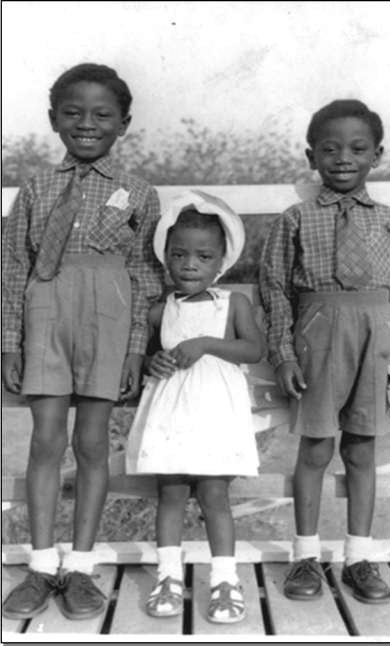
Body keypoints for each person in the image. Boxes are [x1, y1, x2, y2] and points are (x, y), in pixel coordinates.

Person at [2, 63, 164, 620]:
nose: (86, 124)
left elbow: (146, 275)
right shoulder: (36, 188)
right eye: (73, 113)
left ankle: (82, 566)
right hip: (45, 314)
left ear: (124, 124)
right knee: (46, 440)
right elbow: (13, 266)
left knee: (93, 444)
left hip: (109, 321)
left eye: (102, 115)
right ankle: (42, 564)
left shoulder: (138, 193)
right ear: (53, 120)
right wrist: (11, 342)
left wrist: (137, 347)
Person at [259, 100, 390, 604]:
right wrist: (284, 353)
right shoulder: (295, 219)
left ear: (376, 155)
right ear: (312, 156)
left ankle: (359, 557)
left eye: (356, 148)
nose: (343, 158)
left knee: (361, 449)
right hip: (319, 334)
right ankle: (305, 556)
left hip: (376, 337)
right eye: (330, 149)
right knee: (315, 448)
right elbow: (275, 290)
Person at [126, 190, 263, 623]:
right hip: (171, 410)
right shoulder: (158, 310)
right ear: (166, 256)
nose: (190, 264)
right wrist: (154, 359)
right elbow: (146, 354)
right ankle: (169, 576)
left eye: (203, 256)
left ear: (221, 262)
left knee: (214, 493)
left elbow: (254, 350)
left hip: (215, 410)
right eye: (180, 254)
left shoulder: (232, 303)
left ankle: (225, 580)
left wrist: (205, 343)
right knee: (170, 493)